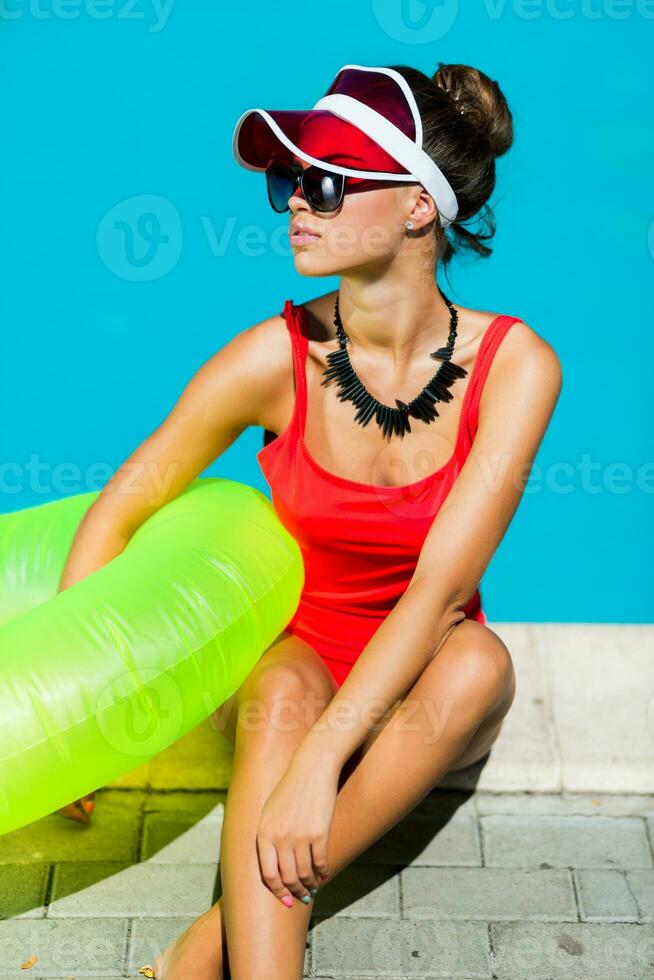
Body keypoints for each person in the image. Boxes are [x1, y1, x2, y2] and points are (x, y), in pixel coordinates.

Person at [59, 62, 562, 978]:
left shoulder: (518, 364)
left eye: (326, 182)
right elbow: (118, 513)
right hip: (288, 666)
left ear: (418, 207)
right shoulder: (270, 359)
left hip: (421, 685)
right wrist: (81, 730)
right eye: (288, 182)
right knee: (287, 691)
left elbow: (443, 593)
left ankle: (203, 949)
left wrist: (313, 774)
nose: (297, 203)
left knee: (480, 662)